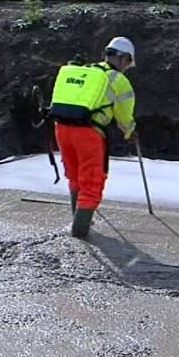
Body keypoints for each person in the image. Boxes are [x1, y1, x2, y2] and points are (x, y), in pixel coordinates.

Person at [48, 36, 137, 238]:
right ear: (124, 58)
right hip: (88, 134)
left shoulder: (84, 71)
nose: (127, 67)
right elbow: (124, 117)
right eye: (128, 63)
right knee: (92, 182)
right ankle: (80, 232)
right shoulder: (118, 80)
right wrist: (130, 131)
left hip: (61, 128)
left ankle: (78, 219)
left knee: (74, 176)